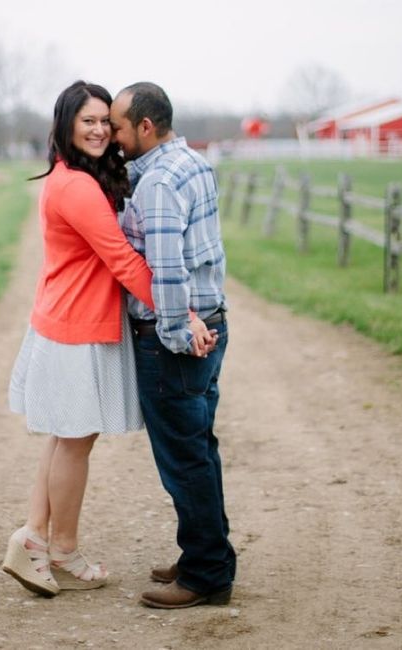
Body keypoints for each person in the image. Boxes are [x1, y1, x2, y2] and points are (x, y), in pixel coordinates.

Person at [2, 80, 214, 598]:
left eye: (105, 121)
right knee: (75, 440)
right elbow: (122, 260)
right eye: (88, 121)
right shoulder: (76, 186)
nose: (100, 131)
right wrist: (184, 313)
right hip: (77, 325)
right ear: (66, 125)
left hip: (67, 317)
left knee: (66, 437)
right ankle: (59, 547)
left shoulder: (72, 175)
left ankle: (35, 538)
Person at [110, 82, 236, 609]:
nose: (111, 136)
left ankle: (207, 574)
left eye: (117, 126)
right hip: (212, 322)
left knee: (184, 460)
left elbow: (166, 270)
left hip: (176, 345)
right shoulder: (192, 162)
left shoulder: (158, 183)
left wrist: (177, 337)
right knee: (199, 449)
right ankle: (205, 556)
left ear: (145, 126)